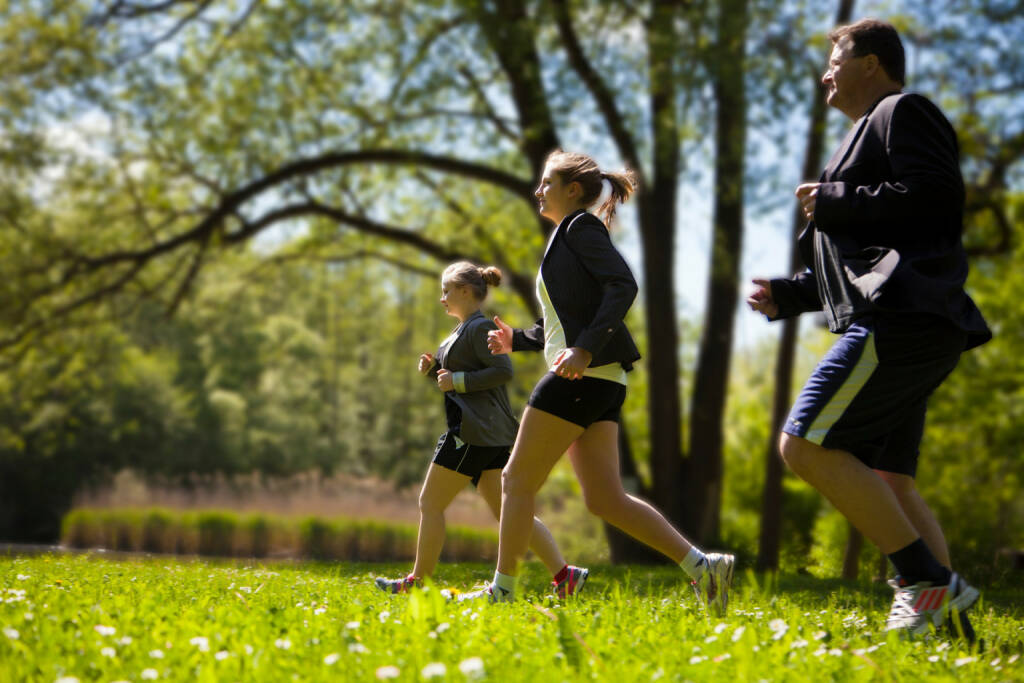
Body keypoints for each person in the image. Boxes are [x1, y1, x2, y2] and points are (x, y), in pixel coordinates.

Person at [747, 19, 990, 637]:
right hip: (917, 322)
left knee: (806, 444)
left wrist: (835, 201)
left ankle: (927, 582)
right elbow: (863, 258)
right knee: (890, 480)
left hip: (902, 320)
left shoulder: (903, 111)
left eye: (836, 58)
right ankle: (948, 630)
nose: (825, 72)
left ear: (872, 64)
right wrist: (793, 293)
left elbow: (935, 197)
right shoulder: (860, 136)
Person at [458, 150, 734, 613]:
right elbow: (564, 322)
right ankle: (704, 567)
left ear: (573, 190)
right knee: (605, 498)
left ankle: (502, 591)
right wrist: (518, 340)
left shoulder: (580, 228)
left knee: (515, 480)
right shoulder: (565, 238)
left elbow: (622, 284)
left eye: (547, 182)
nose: (538, 190)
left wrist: (584, 349)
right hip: (600, 379)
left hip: (581, 375)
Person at [375, 262, 587, 599]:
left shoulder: (479, 327)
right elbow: (459, 385)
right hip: (488, 432)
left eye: (446, 290)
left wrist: (455, 379)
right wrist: (435, 372)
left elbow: (502, 371)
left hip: (472, 433)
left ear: (464, 290)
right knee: (508, 513)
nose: (442, 297)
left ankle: (418, 581)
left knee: (430, 502)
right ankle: (565, 574)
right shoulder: (462, 330)